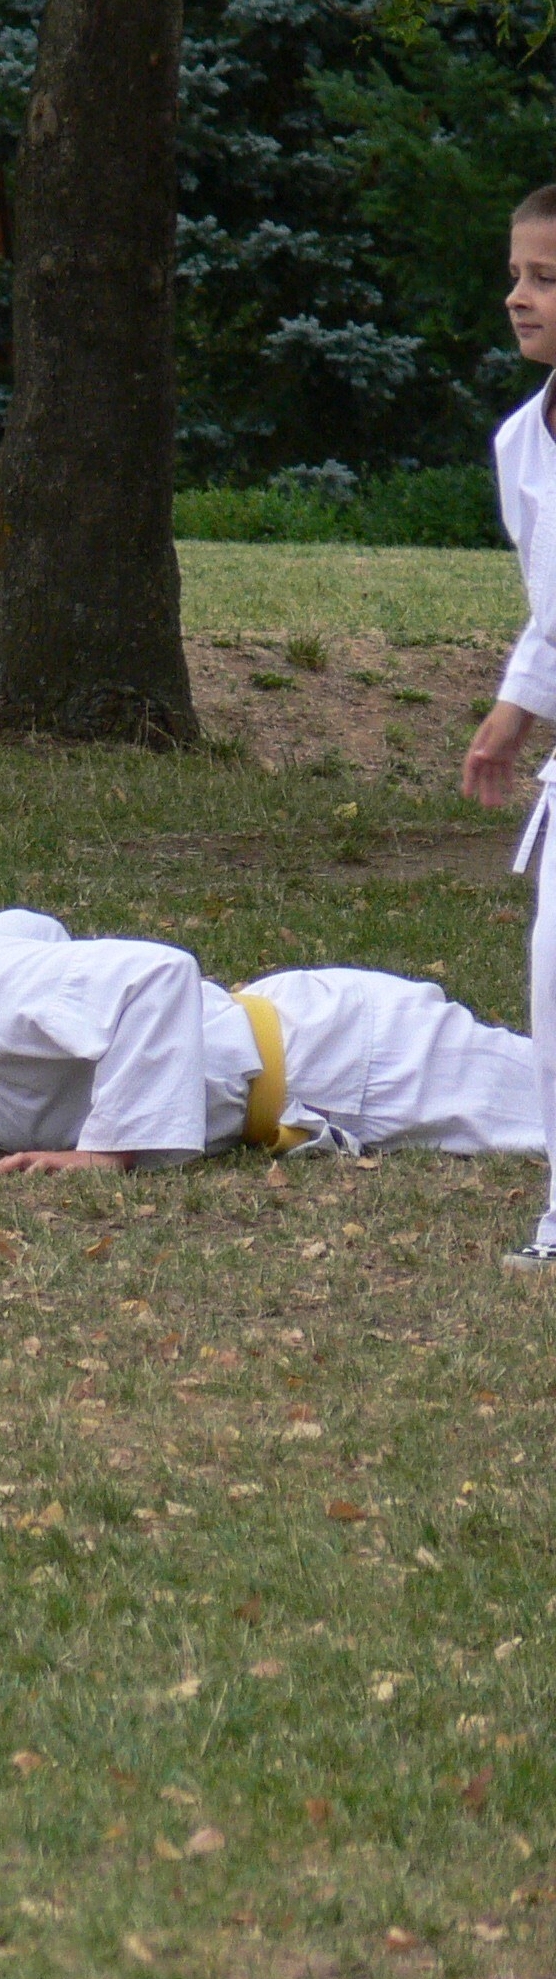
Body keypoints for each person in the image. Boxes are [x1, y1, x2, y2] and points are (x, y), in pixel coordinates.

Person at [0, 873, 542, 1173]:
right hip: (320, 1065)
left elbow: (157, 975)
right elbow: (37, 931)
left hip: (354, 1059)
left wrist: (105, 1153)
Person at [464, 181, 556, 1268]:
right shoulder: (521, 444)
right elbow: (551, 610)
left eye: (547, 279)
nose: (518, 297)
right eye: (516, 275)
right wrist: (510, 715)